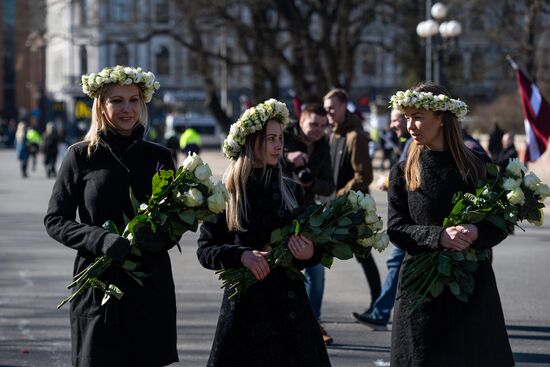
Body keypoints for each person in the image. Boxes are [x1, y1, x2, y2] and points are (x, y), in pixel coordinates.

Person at [44, 65, 180, 367]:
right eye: (116, 100)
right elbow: (55, 220)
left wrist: (160, 238)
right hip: (99, 284)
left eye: (133, 100)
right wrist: (99, 239)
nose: (126, 108)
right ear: (101, 105)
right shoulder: (80, 156)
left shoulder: (160, 157)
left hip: (150, 286)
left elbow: (176, 219)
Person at [197, 99, 331, 367]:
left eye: (280, 138)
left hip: (291, 311)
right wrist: (241, 256)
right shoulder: (227, 192)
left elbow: (315, 246)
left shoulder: (291, 190)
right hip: (245, 314)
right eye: (270, 138)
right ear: (251, 141)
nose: (279, 145)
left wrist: (309, 252)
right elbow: (205, 249)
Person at [387, 82, 513, 366]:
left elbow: (502, 220)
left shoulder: (477, 166)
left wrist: (478, 231)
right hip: (421, 294)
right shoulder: (403, 170)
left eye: (418, 116)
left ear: (442, 117)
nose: (410, 124)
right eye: (407, 116)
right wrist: (438, 237)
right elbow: (396, 228)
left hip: (472, 293)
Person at [322, 88, 382, 317]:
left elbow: (363, 176)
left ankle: (378, 305)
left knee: (364, 256)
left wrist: (340, 194)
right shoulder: (331, 133)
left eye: (332, 108)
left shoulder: (355, 136)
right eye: (326, 108)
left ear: (343, 107)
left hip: (352, 209)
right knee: (314, 259)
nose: (328, 112)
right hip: (331, 206)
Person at [282, 103, 335, 344]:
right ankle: (285, 323)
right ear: (301, 120)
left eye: (323, 126)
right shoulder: (284, 137)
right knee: (285, 273)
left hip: (310, 215)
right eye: (313, 124)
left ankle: (313, 322)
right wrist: (287, 157)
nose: (318, 130)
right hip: (280, 212)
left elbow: (329, 185)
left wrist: (310, 185)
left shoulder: (324, 144)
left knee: (317, 271)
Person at [355, 109, 410, 330]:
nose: (393, 125)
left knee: (396, 263)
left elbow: (407, 177)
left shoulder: (412, 143)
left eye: (397, 120)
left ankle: (381, 312)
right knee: (397, 264)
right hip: (407, 218)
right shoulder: (407, 142)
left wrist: (387, 182)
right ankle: (383, 311)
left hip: (409, 219)